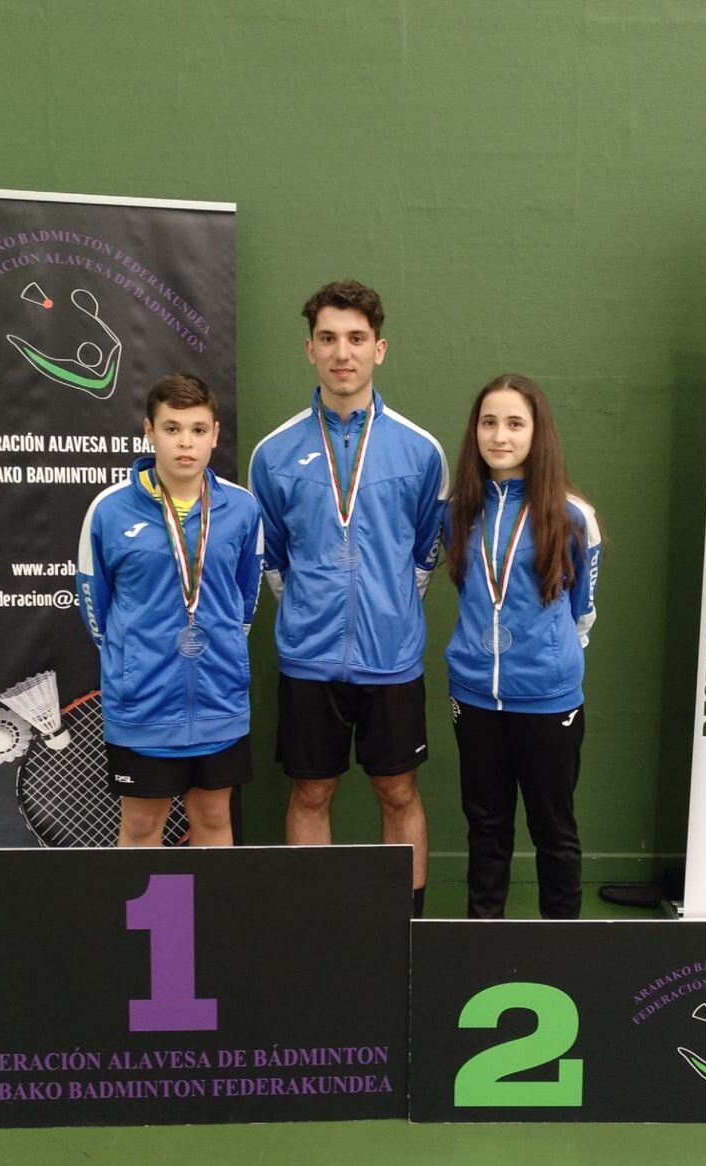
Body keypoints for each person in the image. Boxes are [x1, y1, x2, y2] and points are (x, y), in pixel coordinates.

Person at [249, 279, 447, 915]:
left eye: (357, 339)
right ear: (309, 349)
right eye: (329, 338)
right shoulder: (272, 454)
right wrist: (314, 614)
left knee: (398, 791)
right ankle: (318, 925)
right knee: (311, 794)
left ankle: (407, 925)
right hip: (309, 660)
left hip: (392, 659)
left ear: (379, 349)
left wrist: (386, 613)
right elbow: (272, 558)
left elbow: (424, 553)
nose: (344, 352)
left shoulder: (421, 452)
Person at [77, 372, 263, 847]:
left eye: (199, 430)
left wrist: (219, 653)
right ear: (149, 431)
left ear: (215, 434)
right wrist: (135, 660)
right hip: (143, 705)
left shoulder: (242, 509)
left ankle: (208, 925)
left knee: (215, 821)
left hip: (219, 701)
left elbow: (245, 601)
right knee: (141, 828)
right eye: (172, 428)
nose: (186, 442)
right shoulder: (110, 510)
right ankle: (160, 927)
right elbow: (97, 611)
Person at [445, 373, 601, 919]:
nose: (500, 436)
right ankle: (482, 940)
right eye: (489, 422)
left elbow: (582, 609)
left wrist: (545, 662)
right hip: (475, 697)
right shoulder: (457, 510)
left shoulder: (572, 515)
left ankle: (560, 948)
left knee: (554, 831)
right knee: (486, 829)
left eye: (515, 423)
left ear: (538, 433)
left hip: (547, 700)